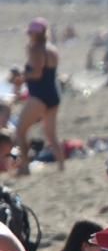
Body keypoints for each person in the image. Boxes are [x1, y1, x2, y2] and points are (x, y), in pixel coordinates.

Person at [16, 18, 65, 175]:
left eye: (30, 32)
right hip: (53, 95)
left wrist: (23, 76)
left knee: (20, 131)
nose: (29, 35)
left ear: (36, 34)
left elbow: (36, 73)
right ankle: (62, 168)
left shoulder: (35, 49)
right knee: (51, 135)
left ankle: (24, 167)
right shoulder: (51, 49)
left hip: (39, 96)